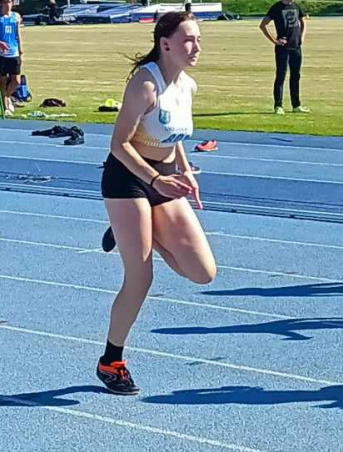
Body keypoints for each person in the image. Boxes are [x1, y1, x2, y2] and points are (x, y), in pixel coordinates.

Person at [96, 12, 215, 395]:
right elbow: (120, 144)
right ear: (165, 44)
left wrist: (184, 169)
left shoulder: (188, 86)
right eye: (188, 40)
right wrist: (156, 180)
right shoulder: (145, 84)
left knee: (202, 271)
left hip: (162, 180)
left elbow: (172, 132)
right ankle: (111, 360)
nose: (195, 47)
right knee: (141, 277)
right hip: (128, 179)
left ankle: (131, 228)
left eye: (198, 40)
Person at [259, 0, 308, 115]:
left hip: (296, 46)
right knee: (281, 76)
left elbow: (303, 20)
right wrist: (275, 41)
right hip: (283, 47)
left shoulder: (296, 6)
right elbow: (263, 25)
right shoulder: (276, 7)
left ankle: (296, 105)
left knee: (296, 76)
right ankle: (278, 105)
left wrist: (302, 36)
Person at [0, 0, 23, 116]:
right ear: (1, 4)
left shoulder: (16, 16)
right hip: (1, 54)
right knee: (2, 81)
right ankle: (5, 108)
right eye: (6, 2)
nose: (8, 5)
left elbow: (18, 35)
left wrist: (20, 51)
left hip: (13, 53)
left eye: (10, 2)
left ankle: (8, 96)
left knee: (16, 80)